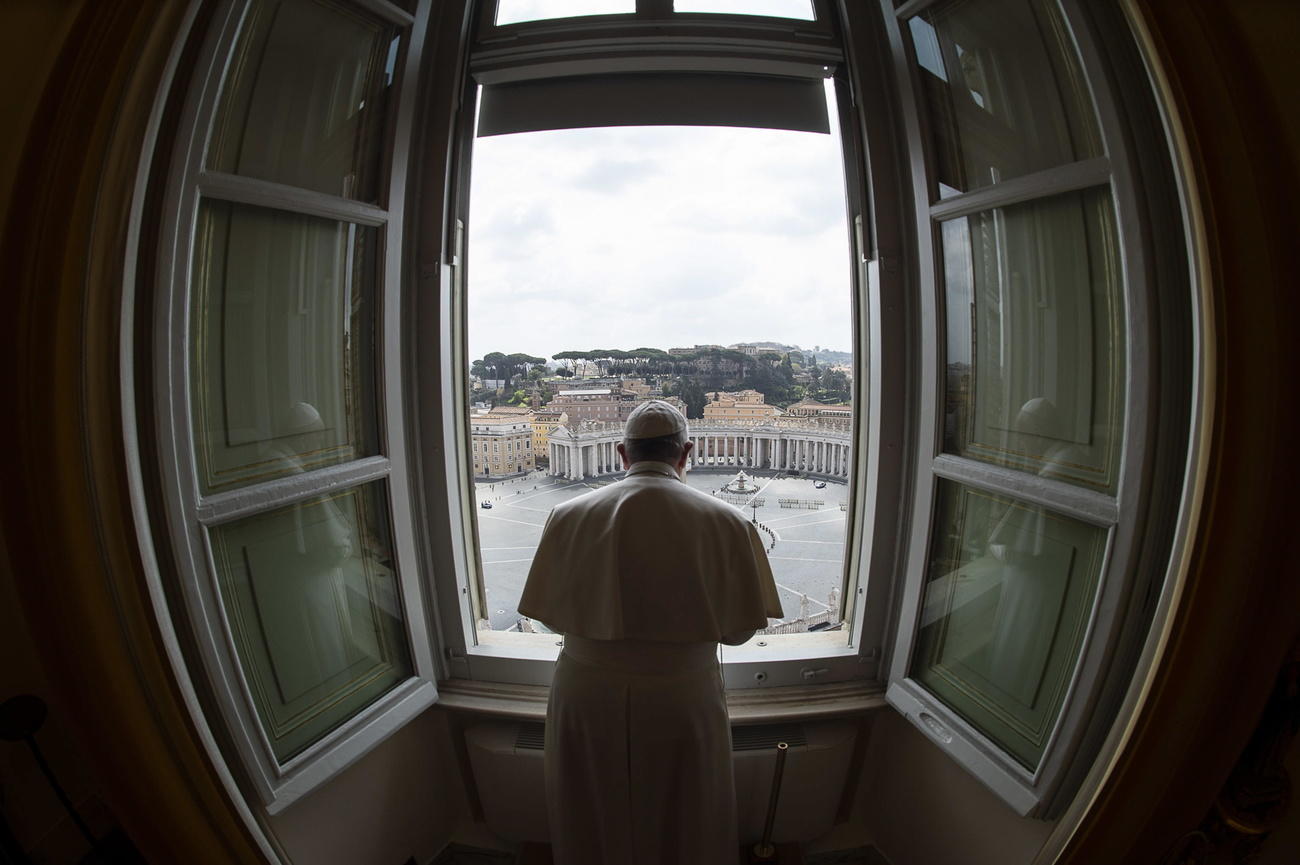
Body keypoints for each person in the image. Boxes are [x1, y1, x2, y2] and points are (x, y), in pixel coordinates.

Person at [518, 400, 783, 865]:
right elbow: (741, 631)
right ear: (687, 453)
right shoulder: (731, 522)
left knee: (590, 807)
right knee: (687, 811)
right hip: (682, 694)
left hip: (586, 690)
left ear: (621, 452)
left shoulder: (566, 515)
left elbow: (548, 617)